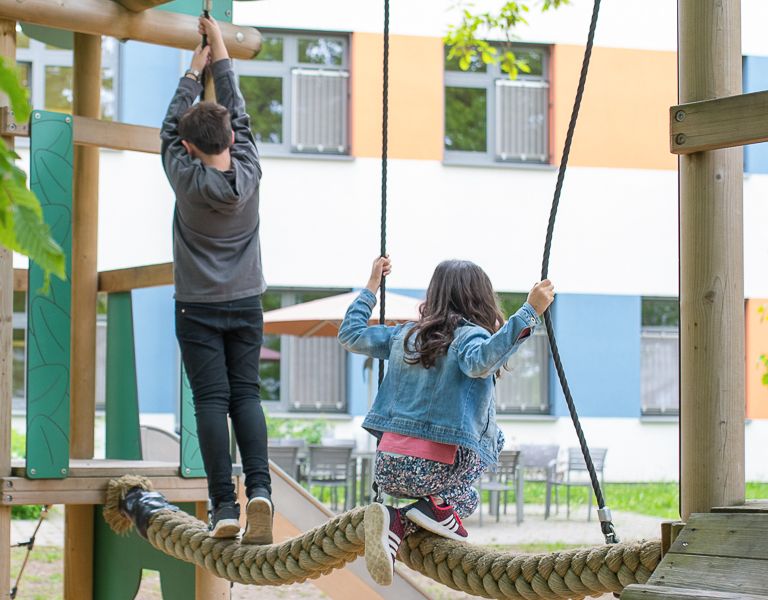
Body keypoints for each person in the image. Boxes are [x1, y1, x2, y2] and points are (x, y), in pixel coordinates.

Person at [338, 256, 554, 585]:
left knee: (456, 504)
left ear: (434, 294)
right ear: (479, 297)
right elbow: (481, 362)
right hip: (434, 471)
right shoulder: (469, 336)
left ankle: (397, 522)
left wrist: (371, 286)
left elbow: (351, 334)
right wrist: (529, 311)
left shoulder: (404, 336)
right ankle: (424, 511)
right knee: (473, 486)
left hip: (387, 469)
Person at [160, 15, 272, 544]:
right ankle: (262, 490)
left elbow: (168, 127)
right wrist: (220, 49)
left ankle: (224, 507)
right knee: (245, 395)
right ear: (232, 135)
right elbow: (237, 107)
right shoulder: (248, 167)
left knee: (211, 400)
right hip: (247, 301)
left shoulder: (183, 175)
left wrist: (191, 70)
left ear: (187, 148)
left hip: (197, 306)